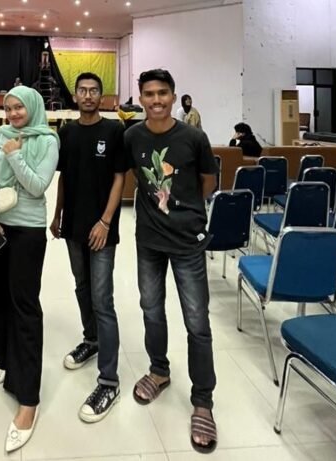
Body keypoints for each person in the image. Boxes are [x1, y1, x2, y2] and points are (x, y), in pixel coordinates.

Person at [125, 69, 218, 454]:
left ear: (174, 96)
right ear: (141, 98)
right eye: (149, 94)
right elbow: (134, 175)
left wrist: (186, 213)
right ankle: (159, 371)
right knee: (151, 309)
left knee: (196, 321)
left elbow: (208, 183)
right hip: (148, 240)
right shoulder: (132, 136)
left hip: (186, 242)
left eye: (163, 93)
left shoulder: (194, 137)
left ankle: (203, 401)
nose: (156, 100)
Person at [0, 85, 59, 452]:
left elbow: (37, 186)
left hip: (27, 230)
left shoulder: (48, 140)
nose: (12, 114)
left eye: (19, 108)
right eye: (8, 108)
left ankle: (28, 398)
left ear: (33, 107)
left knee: (24, 306)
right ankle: (2, 360)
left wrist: (14, 156)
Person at [50, 72, 126, 423]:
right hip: (73, 227)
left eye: (94, 90)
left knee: (102, 298)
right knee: (82, 287)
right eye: (83, 90)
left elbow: (119, 178)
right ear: (75, 95)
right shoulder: (66, 133)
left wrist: (106, 222)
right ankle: (91, 339)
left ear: (101, 96)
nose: (88, 95)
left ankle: (109, 380)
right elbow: (64, 177)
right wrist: (57, 214)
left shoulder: (114, 131)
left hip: (101, 229)